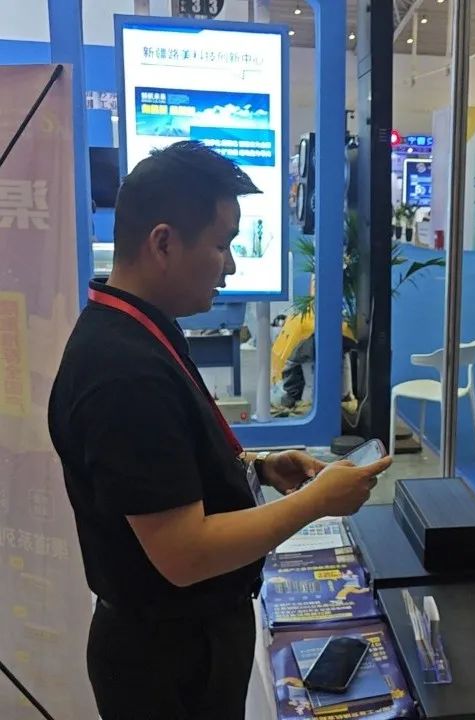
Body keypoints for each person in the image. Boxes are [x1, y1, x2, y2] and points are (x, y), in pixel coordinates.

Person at [48, 141, 391, 720]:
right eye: (221, 244)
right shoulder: (123, 373)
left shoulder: (139, 331)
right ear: (163, 243)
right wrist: (315, 503)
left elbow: (162, 467)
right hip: (167, 663)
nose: (230, 265)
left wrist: (257, 468)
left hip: (184, 641)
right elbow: (184, 553)